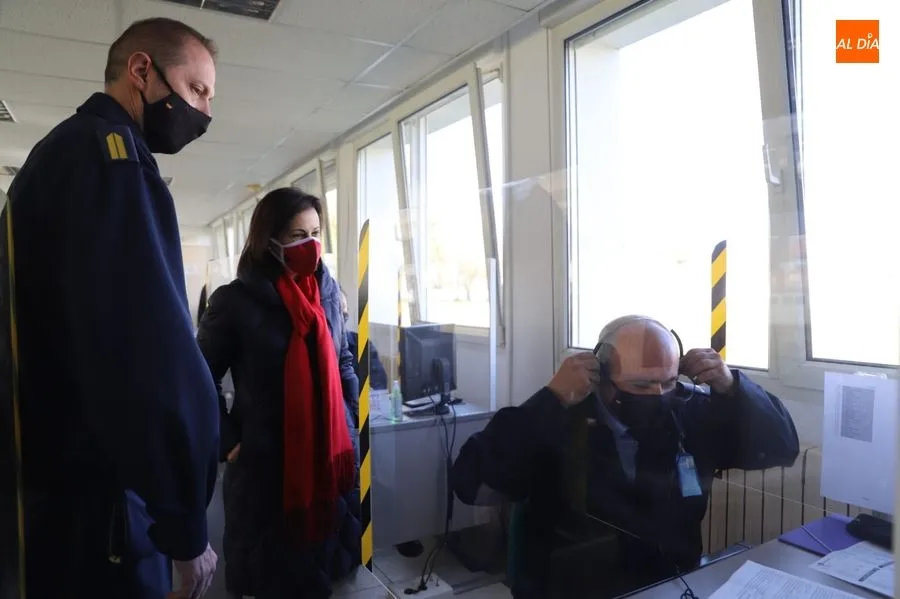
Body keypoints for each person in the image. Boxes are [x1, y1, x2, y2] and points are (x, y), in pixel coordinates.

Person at [0, 17, 221, 599]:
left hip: (50, 494)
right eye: (196, 89)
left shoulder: (63, 155)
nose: (204, 112)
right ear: (142, 70)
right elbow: (147, 357)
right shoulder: (111, 161)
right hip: (95, 506)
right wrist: (185, 523)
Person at [451, 315, 800, 599]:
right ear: (600, 377)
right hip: (572, 587)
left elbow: (782, 447)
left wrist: (732, 388)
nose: (658, 395)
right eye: (641, 385)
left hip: (670, 583)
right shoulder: (560, 422)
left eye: (667, 382)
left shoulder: (687, 412)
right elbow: (471, 482)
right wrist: (550, 399)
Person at [197, 188, 361, 599]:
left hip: (330, 458)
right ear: (269, 240)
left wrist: (349, 415)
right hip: (266, 470)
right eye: (297, 236)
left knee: (330, 576)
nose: (311, 245)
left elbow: (343, 358)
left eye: (316, 233)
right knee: (275, 579)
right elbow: (198, 376)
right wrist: (229, 440)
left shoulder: (327, 291)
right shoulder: (234, 302)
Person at [339, 288, 389, 397]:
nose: (341, 319)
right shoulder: (314, 348)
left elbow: (379, 386)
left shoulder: (362, 345)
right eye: (337, 311)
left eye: (344, 313)